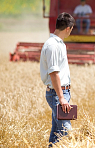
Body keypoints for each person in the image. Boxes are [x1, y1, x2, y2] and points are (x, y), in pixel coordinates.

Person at [40, 12, 75, 146]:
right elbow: (53, 73)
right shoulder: (53, 46)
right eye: (71, 29)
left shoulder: (58, 43)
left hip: (60, 92)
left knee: (56, 134)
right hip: (57, 94)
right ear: (68, 28)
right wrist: (61, 98)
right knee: (67, 132)